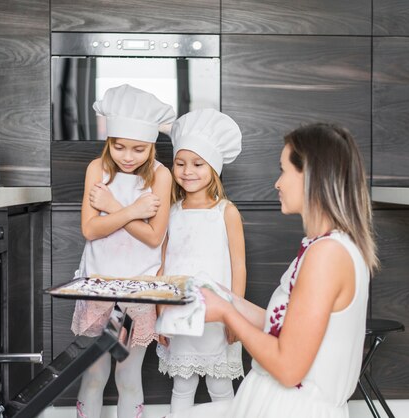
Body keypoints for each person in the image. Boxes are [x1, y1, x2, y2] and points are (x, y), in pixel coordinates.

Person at [167, 122, 379, 418]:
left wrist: (228, 315)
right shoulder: (325, 247)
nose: (277, 183)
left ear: (310, 177)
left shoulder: (327, 255)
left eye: (283, 171)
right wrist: (227, 299)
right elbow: (290, 328)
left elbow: (289, 368)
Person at [70, 84, 175, 418]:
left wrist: (113, 208)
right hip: (99, 285)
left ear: (152, 146)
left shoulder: (161, 176)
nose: (128, 157)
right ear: (109, 142)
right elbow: (90, 229)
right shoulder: (96, 170)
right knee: (94, 374)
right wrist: (132, 211)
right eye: (119, 147)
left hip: (139, 291)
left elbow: (154, 237)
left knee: (128, 375)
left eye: (139, 149)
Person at [156, 109, 246, 413]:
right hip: (179, 314)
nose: (187, 171)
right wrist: (159, 309)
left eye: (197, 164)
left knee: (220, 386)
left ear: (214, 169)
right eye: (180, 163)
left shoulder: (226, 212)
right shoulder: (172, 211)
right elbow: (164, 261)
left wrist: (236, 314)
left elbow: (239, 266)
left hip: (218, 316)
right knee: (182, 385)